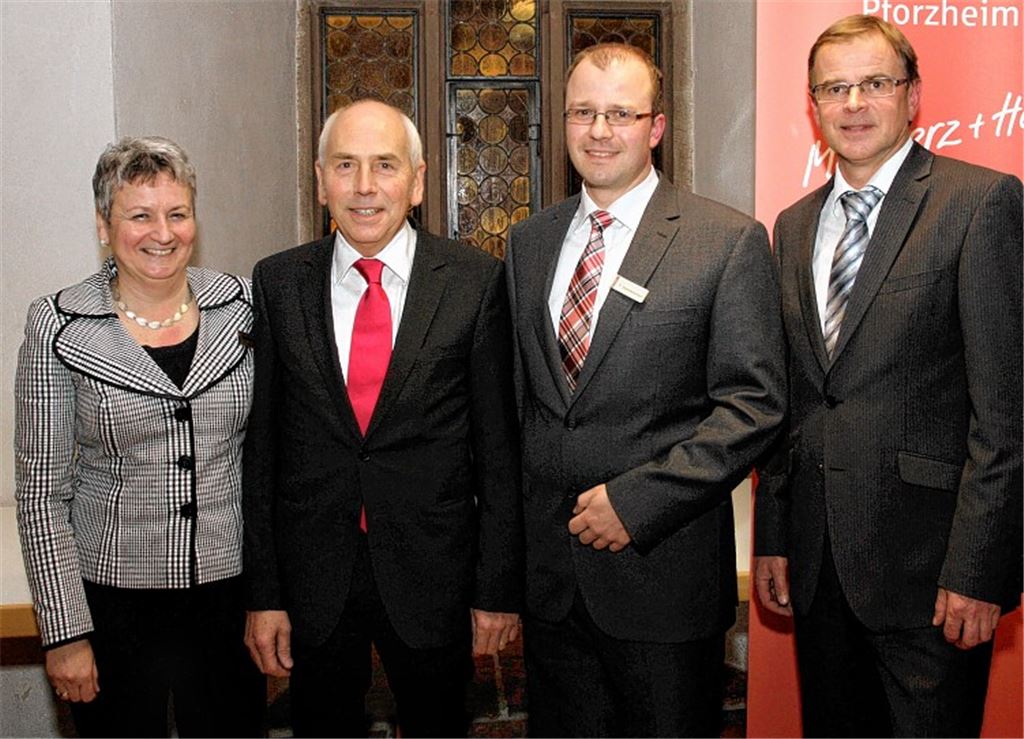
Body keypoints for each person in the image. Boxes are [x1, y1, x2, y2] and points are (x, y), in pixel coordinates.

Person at [505, 43, 787, 737]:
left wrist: (636, 502)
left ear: (655, 127)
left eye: (621, 114)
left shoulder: (726, 241)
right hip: (552, 590)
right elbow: (523, 406)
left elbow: (754, 406)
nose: (600, 131)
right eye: (584, 112)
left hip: (663, 582)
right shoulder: (528, 243)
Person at [753, 14, 1023, 737]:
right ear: (813, 104)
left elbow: (1006, 415)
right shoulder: (792, 226)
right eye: (833, 88)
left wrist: (978, 570)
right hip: (818, 569)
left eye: (874, 83)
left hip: (931, 577)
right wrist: (774, 534)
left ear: (913, 95)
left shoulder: (980, 203)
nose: (853, 104)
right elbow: (792, 400)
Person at [242, 99, 523, 738]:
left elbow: (498, 453)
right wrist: (265, 594)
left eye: (385, 165)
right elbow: (262, 452)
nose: (364, 186)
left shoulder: (475, 283)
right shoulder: (279, 282)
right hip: (315, 579)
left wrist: (496, 589)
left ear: (418, 182)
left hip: (435, 574)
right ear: (321, 181)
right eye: (345, 165)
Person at [14, 136, 265, 737]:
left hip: (230, 601)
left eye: (178, 213)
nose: (163, 233)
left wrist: (272, 597)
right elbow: (42, 494)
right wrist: (65, 634)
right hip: (112, 607)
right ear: (105, 226)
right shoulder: (58, 323)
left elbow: (272, 455)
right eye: (140, 216)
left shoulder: (243, 305)